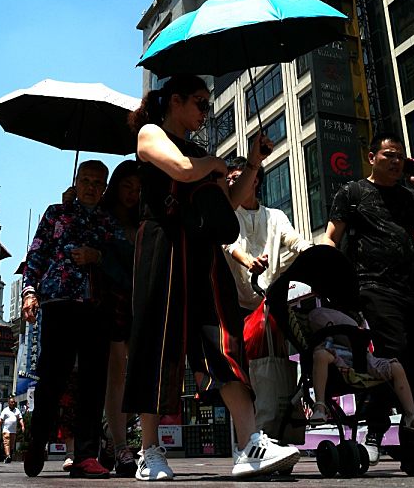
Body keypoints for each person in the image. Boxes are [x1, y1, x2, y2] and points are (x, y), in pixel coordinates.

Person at [123, 74, 300, 480]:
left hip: (202, 253)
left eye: (207, 104)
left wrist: (252, 163)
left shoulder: (203, 154)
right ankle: (149, 450)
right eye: (200, 103)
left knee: (224, 340)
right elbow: (182, 170)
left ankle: (250, 442)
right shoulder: (151, 134)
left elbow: (229, 202)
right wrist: (218, 165)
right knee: (156, 344)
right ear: (175, 100)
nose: (206, 112)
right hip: (163, 246)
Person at [323, 131, 414, 465]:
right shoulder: (352, 193)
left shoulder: (409, 196)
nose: (395, 161)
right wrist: (330, 274)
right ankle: (374, 432)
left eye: (400, 157)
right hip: (373, 287)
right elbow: (331, 237)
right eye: (388, 155)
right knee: (394, 355)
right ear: (372, 157)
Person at [20, 160, 118, 479]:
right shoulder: (56, 213)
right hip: (59, 302)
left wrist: (97, 256)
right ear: (76, 182)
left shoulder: (108, 220)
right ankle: (37, 441)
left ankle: (86, 455)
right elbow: (37, 252)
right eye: (85, 180)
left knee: (93, 382)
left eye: (97, 182)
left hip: (96, 306)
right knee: (52, 377)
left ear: (104, 188)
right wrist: (29, 291)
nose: (91, 186)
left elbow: (121, 256)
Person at [306, 306, 414, 435]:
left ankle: (411, 415)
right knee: (320, 355)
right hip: (338, 366)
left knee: (396, 367)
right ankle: (320, 406)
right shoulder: (319, 319)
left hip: (361, 359)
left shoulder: (352, 321)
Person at [223, 157, 313, 313]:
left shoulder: (276, 216)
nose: (231, 184)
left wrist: (313, 252)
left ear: (254, 180)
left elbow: (294, 240)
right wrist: (249, 262)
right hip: (234, 306)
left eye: (236, 178)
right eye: (228, 180)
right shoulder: (226, 215)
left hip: (270, 305)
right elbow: (230, 244)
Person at [98, 160, 141, 477]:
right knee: (116, 373)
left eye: (138, 189)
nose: (132, 194)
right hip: (111, 300)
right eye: (127, 187)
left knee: (137, 374)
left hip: (140, 301)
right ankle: (122, 445)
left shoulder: (145, 219)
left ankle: (111, 437)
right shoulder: (100, 218)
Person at [0, 396, 24, 464]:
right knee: (6, 443)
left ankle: (10, 454)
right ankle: (8, 456)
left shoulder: (17, 410)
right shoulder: (5, 410)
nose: (13, 403)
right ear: (9, 403)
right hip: (6, 430)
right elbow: (1, 420)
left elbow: (20, 419)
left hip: (13, 431)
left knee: (12, 444)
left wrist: (22, 426)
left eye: (14, 402)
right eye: (12, 402)